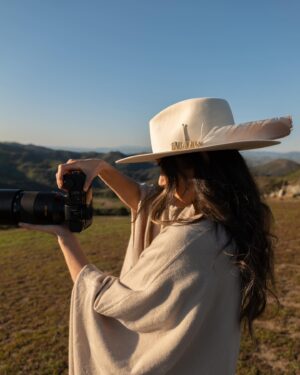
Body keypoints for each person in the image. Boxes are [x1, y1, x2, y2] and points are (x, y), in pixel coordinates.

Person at [19, 98, 292, 374]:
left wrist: (65, 238)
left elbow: (109, 303)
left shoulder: (187, 242)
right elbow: (147, 200)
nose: (161, 181)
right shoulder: (231, 219)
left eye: (166, 169)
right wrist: (102, 169)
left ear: (200, 166)